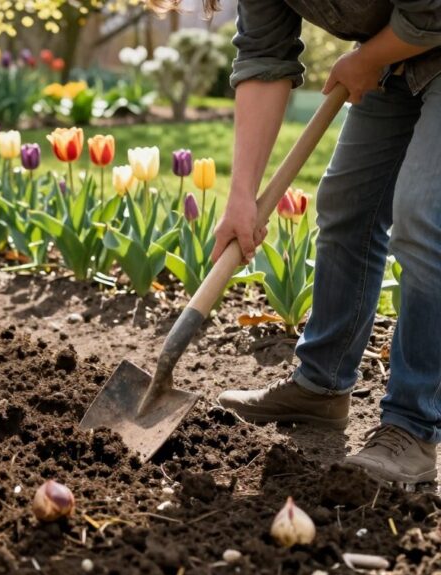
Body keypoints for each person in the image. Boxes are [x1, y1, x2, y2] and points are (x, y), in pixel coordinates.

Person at [158, 0, 441, 485]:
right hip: (397, 55)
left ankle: (413, 426)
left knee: (422, 216)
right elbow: (264, 59)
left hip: (417, 32)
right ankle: (321, 388)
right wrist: (241, 196)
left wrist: (368, 58)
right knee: (347, 205)